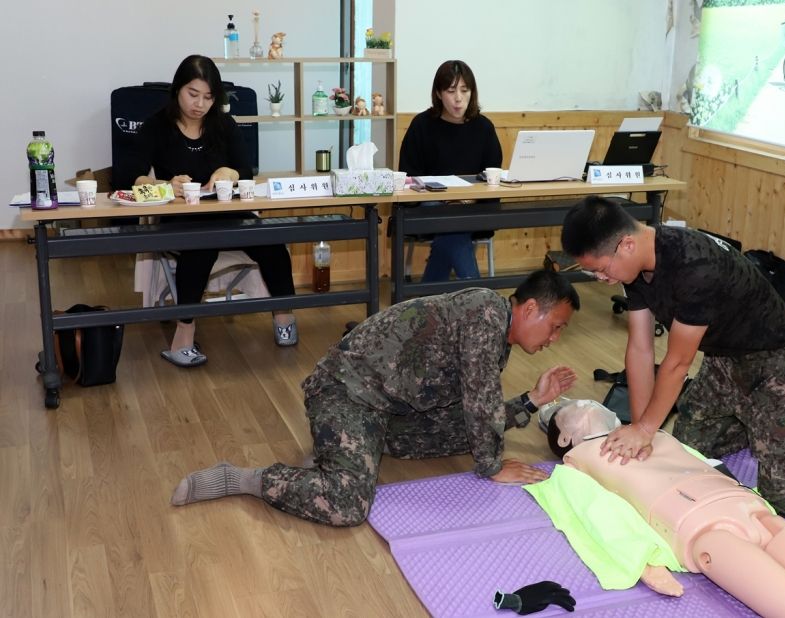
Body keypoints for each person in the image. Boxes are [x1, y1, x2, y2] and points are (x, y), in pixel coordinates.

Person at [170, 270, 580, 526]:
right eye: (556, 327)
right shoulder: (487, 315)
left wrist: (530, 401)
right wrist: (491, 468)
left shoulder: (495, 330)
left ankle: (344, 456)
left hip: (389, 409)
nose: (555, 339)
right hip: (346, 395)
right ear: (529, 309)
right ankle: (243, 478)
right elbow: (480, 405)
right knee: (347, 504)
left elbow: (475, 411)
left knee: (472, 434)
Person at [560, 196, 785, 517]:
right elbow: (640, 350)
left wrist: (643, 431)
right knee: (687, 454)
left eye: (600, 270)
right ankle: (755, 426)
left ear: (626, 244)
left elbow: (678, 363)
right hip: (723, 361)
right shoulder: (636, 267)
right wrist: (644, 429)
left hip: (780, 365)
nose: (603, 279)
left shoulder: (694, 266)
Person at [531, 400, 785, 618]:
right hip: (701, 528)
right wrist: (641, 561)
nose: (586, 402)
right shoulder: (575, 463)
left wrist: (777, 516)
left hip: (747, 507)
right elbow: (594, 515)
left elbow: (708, 464)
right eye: (576, 406)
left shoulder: (649, 433)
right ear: (564, 438)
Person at [113, 55, 298, 368]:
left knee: (272, 241)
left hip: (224, 210)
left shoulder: (223, 124)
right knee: (201, 247)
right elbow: (128, 177)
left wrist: (230, 173)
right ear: (177, 91)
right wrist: (165, 186)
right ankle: (183, 336)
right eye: (192, 94)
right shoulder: (157, 125)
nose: (199, 105)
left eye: (208, 97)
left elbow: (245, 170)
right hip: (181, 215)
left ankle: (284, 316)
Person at [398, 60, 503, 282]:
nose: (458, 98)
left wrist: (466, 201)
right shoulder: (422, 125)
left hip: (474, 207)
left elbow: (492, 177)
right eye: (451, 90)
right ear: (438, 93)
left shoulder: (483, 127)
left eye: (465, 91)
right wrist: (445, 200)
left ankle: (428, 303)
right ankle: (478, 300)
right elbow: (408, 177)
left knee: (452, 225)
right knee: (452, 224)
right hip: (429, 206)